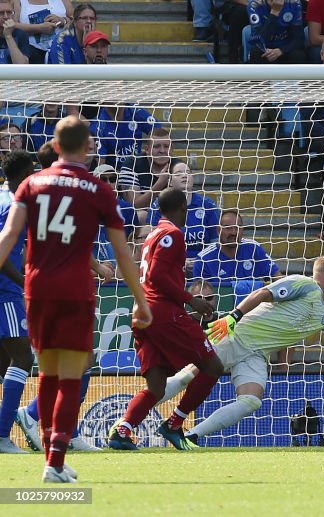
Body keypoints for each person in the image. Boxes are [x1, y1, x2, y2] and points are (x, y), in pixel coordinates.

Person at [0, 116, 151, 482]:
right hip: (74, 291)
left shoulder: (31, 184)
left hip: (36, 291)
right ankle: (54, 461)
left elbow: (7, 239)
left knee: (48, 374)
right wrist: (141, 300)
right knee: (71, 376)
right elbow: (122, 254)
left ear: (54, 143)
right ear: (87, 147)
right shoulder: (98, 190)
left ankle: (51, 456)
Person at [160, 256, 324, 446]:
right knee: (188, 376)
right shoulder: (304, 284)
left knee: (251, 400)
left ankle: (191, 436)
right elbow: (262, 294)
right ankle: (130, 419)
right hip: (239, 336)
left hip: (257, 354)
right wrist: (233, 317)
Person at [106, 189, 225, 451]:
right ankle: (174, 424)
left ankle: (123, 430)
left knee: (156, 386)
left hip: (141, 313)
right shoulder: (173, 234)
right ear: (182, 207)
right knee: (213, 366)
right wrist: (190, 299)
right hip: (163, 312)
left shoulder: (153, 234)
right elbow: (158, 275)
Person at [0, 150, 32, 453]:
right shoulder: (13, 206)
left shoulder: (2, 197)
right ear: (25, 176)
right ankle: (1, 436)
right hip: (5, 291)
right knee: (23, 357)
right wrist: (24, 283)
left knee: (2, 363)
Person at [146, 161, 220, 262]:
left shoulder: (207, 205)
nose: (185, 175)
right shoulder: (159, 205)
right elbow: (153, 242)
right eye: (178, 173)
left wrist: (201, 261)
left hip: (203, 263)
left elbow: (215, 242)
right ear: (170, 181)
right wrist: (180, 261)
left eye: (188, 172)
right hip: (170, 262)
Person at [193, 210, 282, 284]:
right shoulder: (204, 259)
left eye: (237, 228)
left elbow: (277, 278)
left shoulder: (254, 248)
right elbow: (202, 295)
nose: (233, 232)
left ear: (242, 230)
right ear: (218, 230)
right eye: (228, 228)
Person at [117, 127, 179, 210]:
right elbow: (133, 206)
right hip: (141, 218)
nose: (162, 150)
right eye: (156, 146)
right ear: (147, 149)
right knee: (141, 215)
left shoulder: (178, 166)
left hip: (170, 215)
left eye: (166, 146)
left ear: (172, 149)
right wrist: (160, 184)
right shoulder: (132, 163)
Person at [0, 0, 31, 64]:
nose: (6, 16)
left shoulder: (21, 34)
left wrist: (8, 36)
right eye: (1, 13)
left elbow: (22, 66)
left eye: (9, 12)